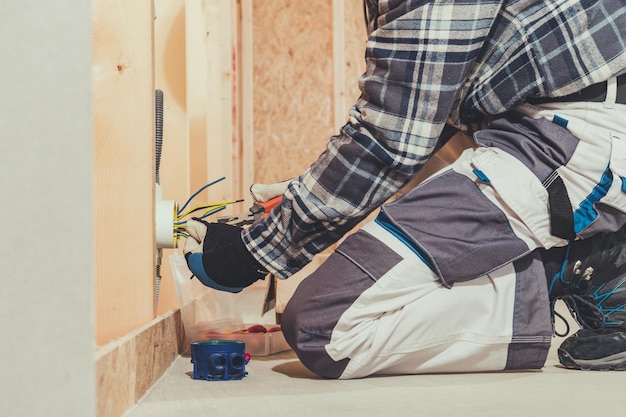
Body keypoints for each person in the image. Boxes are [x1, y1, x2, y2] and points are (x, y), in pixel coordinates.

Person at [183, 0, 626, 379]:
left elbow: (391, 137)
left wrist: (251, 253)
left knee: (326, 329)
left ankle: (580, 265)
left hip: (575, 136)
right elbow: (423, 120)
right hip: (537, 122)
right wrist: (302, 196)